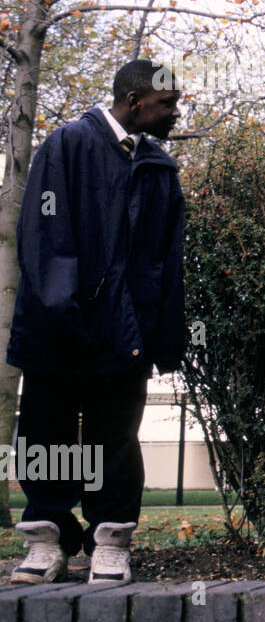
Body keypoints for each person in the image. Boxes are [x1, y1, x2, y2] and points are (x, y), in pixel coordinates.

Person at [7, 60, 185, 584]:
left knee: (114, 436)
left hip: (126, 331)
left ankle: (109, 541)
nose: (175, 112)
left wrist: (159, 332)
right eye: (167, 103)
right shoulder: (67, 145)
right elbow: (44, 234)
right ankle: (47, 542)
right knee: (49, 432)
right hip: (60, 329)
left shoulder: (159, 168)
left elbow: (165, 261)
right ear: (134, 102)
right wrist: (66, 312)